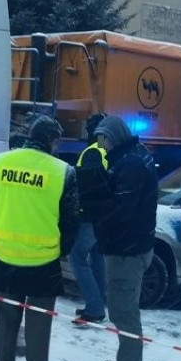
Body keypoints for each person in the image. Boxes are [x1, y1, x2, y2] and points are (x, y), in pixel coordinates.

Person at [0, 115, 80, 361]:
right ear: (53, 141)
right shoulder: (63, 172)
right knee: (38, 333)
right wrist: (60, 251)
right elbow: (72, 222)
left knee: (6, 328)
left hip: (6, 260)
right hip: (43, 265)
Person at [86, 115, 157, 361]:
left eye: (104, 138)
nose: (101, 144)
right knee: (123, 310)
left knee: (124, 314)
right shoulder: (132, 157)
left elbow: (120, 210)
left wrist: (94, 192)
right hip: (132, 246)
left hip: (127, 251)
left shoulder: (129, 165)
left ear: (113, 137)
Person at [70, 113, 109, 326]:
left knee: (77, 257)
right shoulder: (106, 150)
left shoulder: (92, 152)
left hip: (89, 216)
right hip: (103, 216)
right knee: (96, 259)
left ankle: (94, 308)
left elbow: (86, 187)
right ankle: (98, 303)